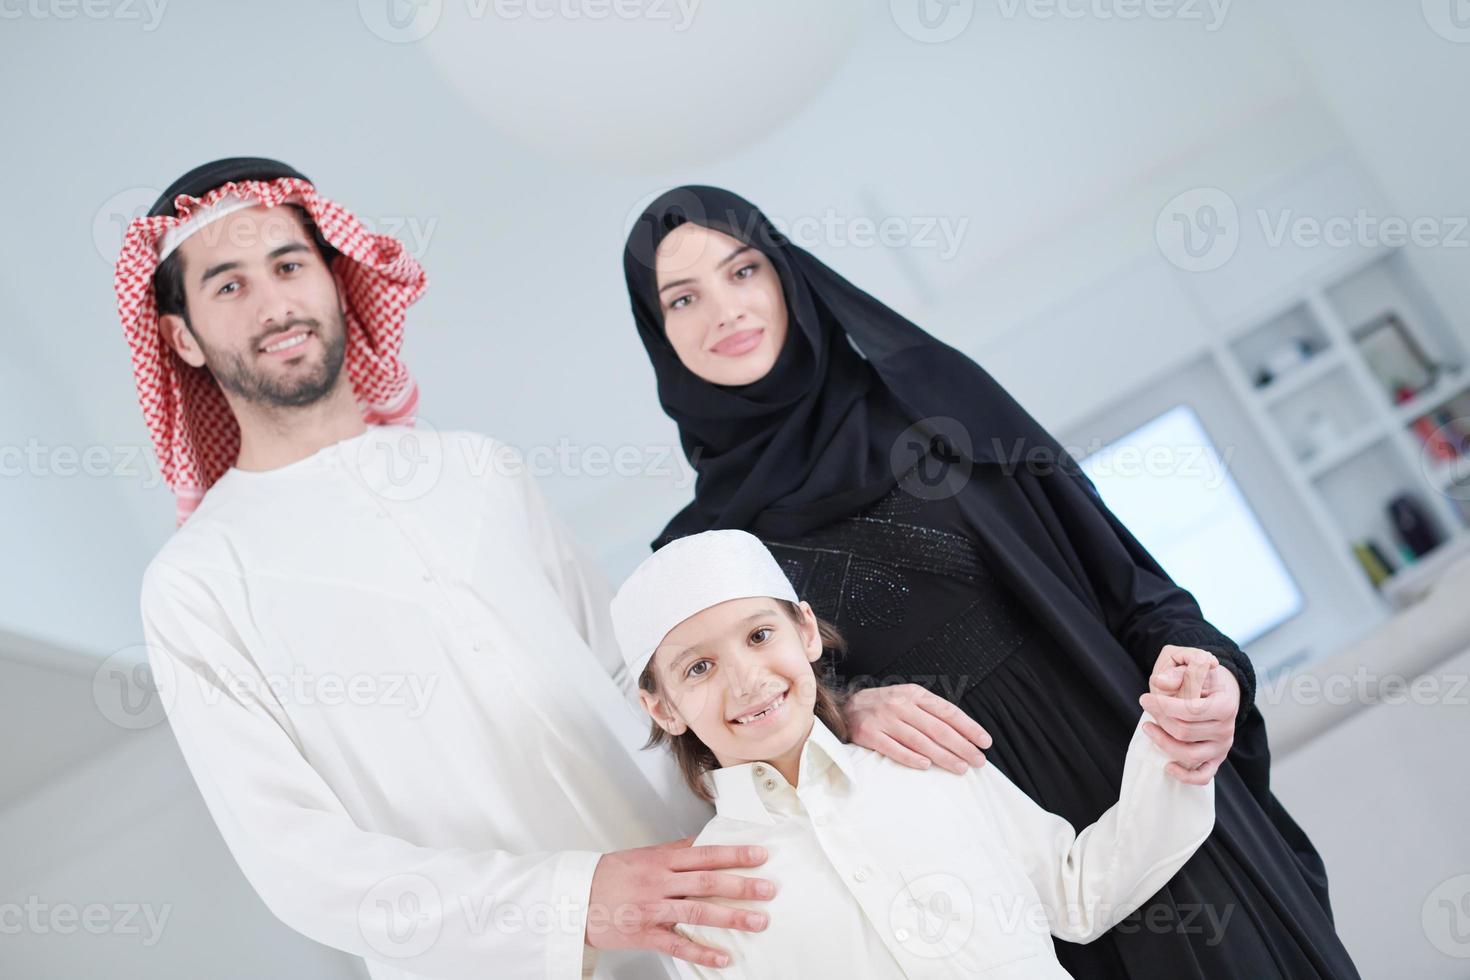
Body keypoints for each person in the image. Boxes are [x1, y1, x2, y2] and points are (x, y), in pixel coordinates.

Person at [118, 158, 991, 980]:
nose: (274, 303)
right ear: (180, 338)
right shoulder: (197, 582)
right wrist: (571, 901)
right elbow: (297, 858)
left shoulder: (479, 470)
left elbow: (646, 685)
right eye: (228, 285)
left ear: (337, 279)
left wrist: (822, 716)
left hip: (723, 931)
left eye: (288, 265)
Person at [619, 185, 1362, 979]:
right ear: (659, 334)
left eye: (744, 272)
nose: (725, 311)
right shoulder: (703, 554)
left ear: (787, 276)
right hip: (969, 872)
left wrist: (1210, 678)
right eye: (684, 298)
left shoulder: (935, 400)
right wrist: (846, 708)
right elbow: (757, 742)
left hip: (1136, 784)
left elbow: (1134, 588)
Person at [609, 528, 1217, 978]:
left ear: (806, 631)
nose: (745, 680)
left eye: (759, 635)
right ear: (662, 708)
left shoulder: (923, 765)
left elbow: (1080, 891)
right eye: (699, 667)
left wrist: (1176, 739)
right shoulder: (705, 895)